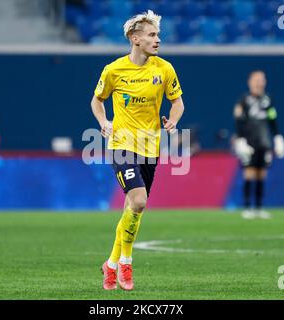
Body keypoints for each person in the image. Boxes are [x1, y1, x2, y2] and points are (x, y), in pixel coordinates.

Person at [90, 10, 185, 291]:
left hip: (150, 148)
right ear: (135, 38)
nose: (158, 40)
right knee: (140, 201)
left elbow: (178, 102)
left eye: (158, 35)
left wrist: (174, 121)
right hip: (121, 146)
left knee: (133, 208)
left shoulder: (164, 69)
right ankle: (126, 264)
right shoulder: (114, 70)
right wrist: (103, 121)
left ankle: (110, 263)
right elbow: (96, 101)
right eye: (152, 35)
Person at [233, 71, 284, 219]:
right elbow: (239, 121)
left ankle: (259, 207)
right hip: (249, 143)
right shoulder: (244, 100)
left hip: (264, 142)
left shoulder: (268, 100)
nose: (259, 83)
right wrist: (240, 140)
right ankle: (247, 207)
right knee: (249, 173)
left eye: (262, 80)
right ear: (250, 82)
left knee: (261, 174)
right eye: (256, 80)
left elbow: (272, 119)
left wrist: (278, 138)